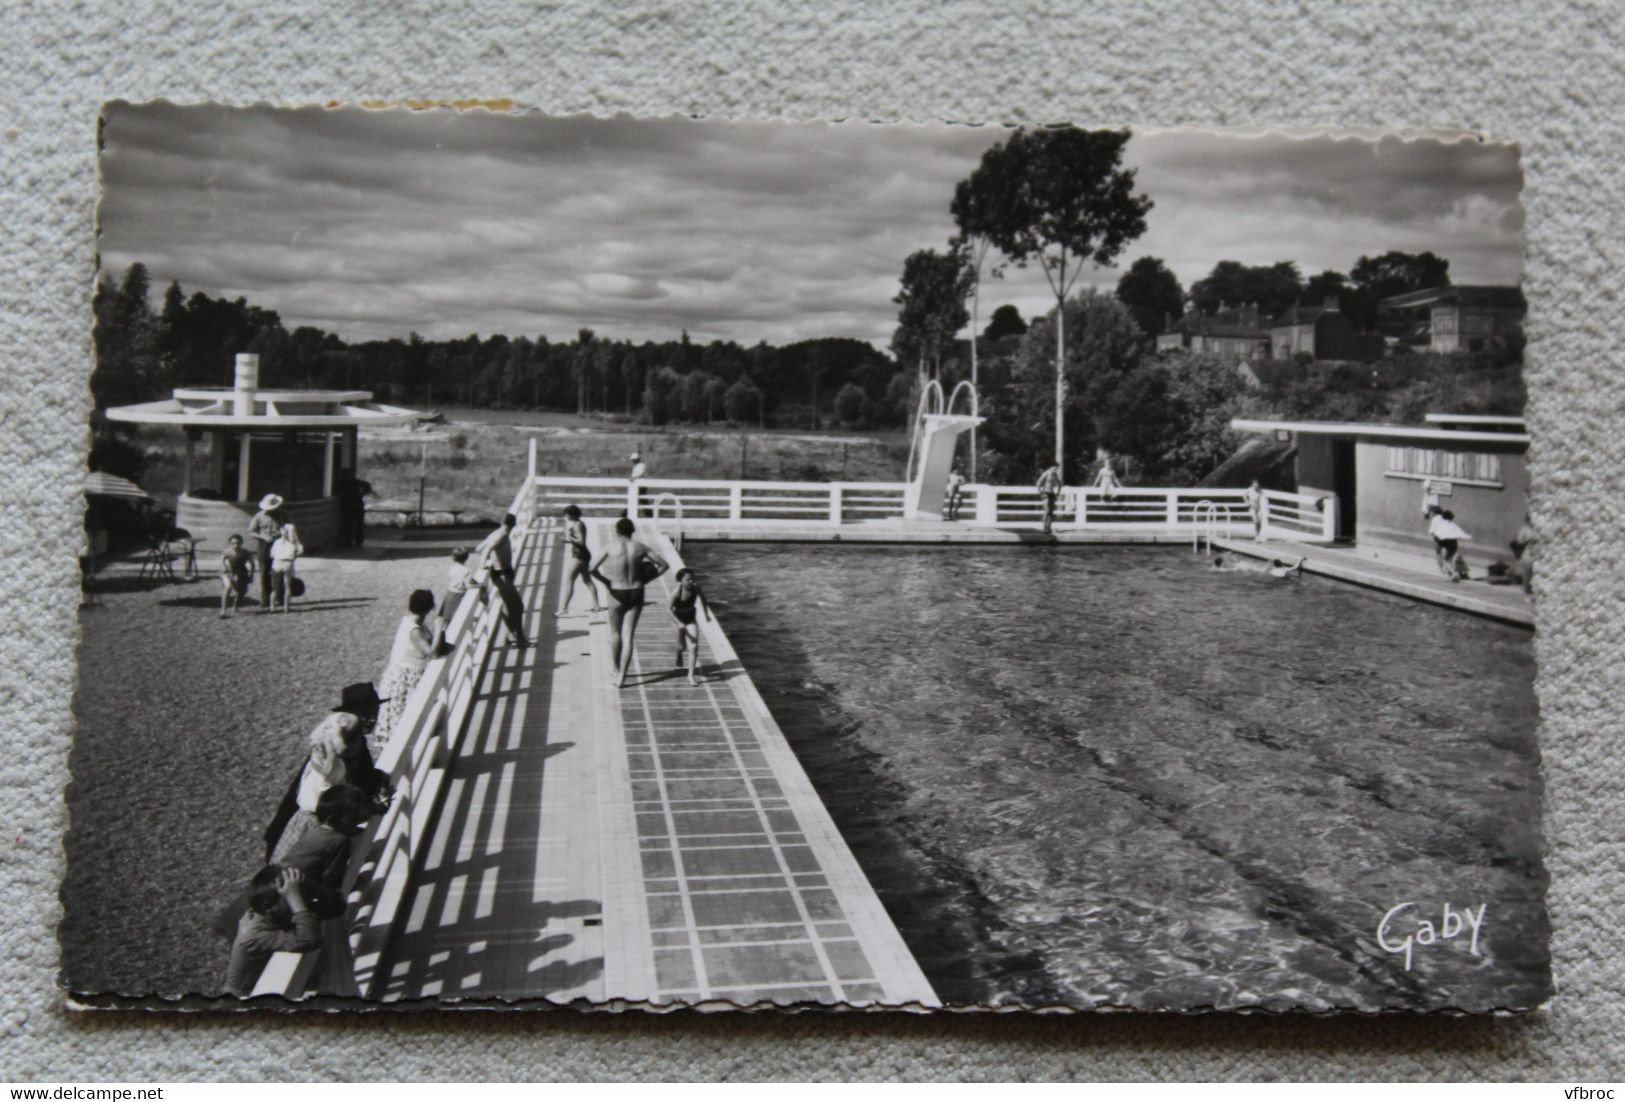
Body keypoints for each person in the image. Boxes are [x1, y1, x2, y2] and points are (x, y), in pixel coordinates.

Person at [278, 784, 375, 996]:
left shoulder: (315, 831)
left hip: (278, 891)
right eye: (353, 818)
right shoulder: (339, 841)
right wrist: (334, 906)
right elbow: (331, 882)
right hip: (291, 900)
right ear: (333, 820)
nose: (359, 821)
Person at [265, 707, 392, 863]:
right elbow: (337, 803)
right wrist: (371, 807)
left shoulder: (326, 759)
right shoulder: (327, 772)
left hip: (315, 822)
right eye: (357, 738)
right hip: (316, 826)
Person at [590, 517, 669, 688]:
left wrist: (605, 582)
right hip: (636, 591)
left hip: (616, 591)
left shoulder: (609, 547)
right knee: (629, 635)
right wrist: (646, 580)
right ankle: (622, 677)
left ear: (617, 531)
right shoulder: (641, 547)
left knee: (615, 633)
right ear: (632, 531)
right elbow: (664, 565)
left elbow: (591, 568)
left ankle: (615, 669)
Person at [224, 865, 321, 997]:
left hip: (269, 982)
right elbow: (310, 939)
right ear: (268, 906)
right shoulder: (255, 935)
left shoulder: (269, 912)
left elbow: (332, 906)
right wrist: (294, 897)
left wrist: (305, 883)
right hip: (246, 998)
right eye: (288, 896)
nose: (298, 898)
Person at [375, 590, 444, 753]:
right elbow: (432, 653)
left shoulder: (410, 621)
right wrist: (439, 628)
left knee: (409, 718)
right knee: (407, 719)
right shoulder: (414, 630)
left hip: (404, 675)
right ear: (430, 608)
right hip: (405, 679)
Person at [477, 513, 529, 648]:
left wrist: (492, 558)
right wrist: (483, 563)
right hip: (502, 574)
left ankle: (510, 635)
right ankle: (521, 639)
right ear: (514, 524)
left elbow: (479, 548)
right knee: (518, 606)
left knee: (507, 605)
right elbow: (487, 549)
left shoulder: (495, 533)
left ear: (501, 521)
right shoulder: (502, 535)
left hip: (502, 573)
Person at [669, 567, 713, 686]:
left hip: (690, 619)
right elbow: (668, 609)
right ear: (681, 580)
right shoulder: (676, 592)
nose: (691, 581)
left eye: (692, 579)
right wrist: (678, 623)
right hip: (677, 619)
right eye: (688, 579)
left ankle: (691, 675)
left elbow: (703, 600)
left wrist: (706, 615)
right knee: (681, 647)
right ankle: (679, 652)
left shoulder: (696, 588)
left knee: (693, 646)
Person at [556, 504, 604, 616]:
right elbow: (579, 540)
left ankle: (563, 608)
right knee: (587, 580)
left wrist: (569, 537)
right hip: (583, 555)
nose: (565, 516)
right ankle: (596, 605)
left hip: (579, 556)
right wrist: (567, 540)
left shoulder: (577, 525)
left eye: (566, 514)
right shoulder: (579, 523)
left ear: (572, 514)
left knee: (569, 581)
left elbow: (581, 541)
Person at [246, 494, 284, 609]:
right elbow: (250, 531)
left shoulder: (283, 515)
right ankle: (265, 599)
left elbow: (290, 527)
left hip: (278, 544)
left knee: (279, 571)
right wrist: (263, 537)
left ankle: (279, 598)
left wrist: (282, 533)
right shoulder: (259, 516)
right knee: (264, 572)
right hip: (264, 545)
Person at [1426, 507, 1472, 581]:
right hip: (1454, 544)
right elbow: (1460, 533)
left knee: (1445, 560)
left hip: (1445, 542)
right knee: (1449, 559)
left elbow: (1434, 532)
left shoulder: (1440, 523)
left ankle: (1453, 574)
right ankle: (1451, 572)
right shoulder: (1453, 524)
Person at [335, 467, 373, 549]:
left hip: (348, 506)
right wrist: (362, 493)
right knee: (358, 524)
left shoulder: (342, 483)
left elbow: (335, 491)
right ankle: (358, 540)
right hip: (357, 505)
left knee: (349, 524)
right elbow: (368, 485)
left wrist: (362, 493)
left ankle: (349, 541)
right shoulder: (356, 482)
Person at [268, 522, 303, 612]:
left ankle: (272, 607)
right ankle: (286, 607)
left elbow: (272, 554)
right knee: (287, 586)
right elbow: (300, 551)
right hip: (288, 563)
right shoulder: (294, 542)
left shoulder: (277, 542)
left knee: (275, 588)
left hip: (277, 563)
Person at [219, 533, 255, 617]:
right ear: (230, 544)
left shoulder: (246, 552)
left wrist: (251, 575)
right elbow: (222, 561)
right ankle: (223, 610)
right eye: (233, 543)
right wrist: (225, 567)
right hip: (228, 571)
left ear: (241, 543)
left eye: (238, 543)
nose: (236, 545)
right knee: (228, 587)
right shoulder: (227, 552)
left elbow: (252, 564)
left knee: (241, 592)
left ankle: (235, 606)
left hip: (241, 572)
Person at [440, 547, 473, 622]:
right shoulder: (466, 570)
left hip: (450, 593)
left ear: (453, 558)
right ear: (466, 558)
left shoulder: (452, 568)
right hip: (460, 595)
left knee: (447, 615)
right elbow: (468, 585)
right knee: (457, 616)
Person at [1511, 514, 1537, 595]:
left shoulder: (1536, 528)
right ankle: (1526, 588)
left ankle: (1530, 587)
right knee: (1527, 570)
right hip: (1528, 553)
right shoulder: (1525, 529)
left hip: (1536, 553)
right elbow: (1519, 541)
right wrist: (1527, 541)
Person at [1036, 463, 1062, 535]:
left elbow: (1060, 484)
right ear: (1051, 467)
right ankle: (1044, 528)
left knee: (1051, 512)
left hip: (1052, 494)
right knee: (1047, 511)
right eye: (1055, 468)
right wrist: (1041, 493)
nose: (1056, 470)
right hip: (1046, 493)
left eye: (1057, 469)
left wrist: (1058, 493)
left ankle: (1049, 528)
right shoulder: (1046, 473)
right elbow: (1038, 483)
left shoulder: (1055, 475)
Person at [628, 452, 648, 517]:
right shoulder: (637, 466)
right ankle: (649, 515)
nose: (632, 461)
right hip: (637, 486)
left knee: (641, 500)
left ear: (637, 459)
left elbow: (640, 473)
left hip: (641, 486)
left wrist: (633, 478)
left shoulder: (641, 465)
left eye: (633, 460)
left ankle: (625, 514)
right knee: (640, 500)